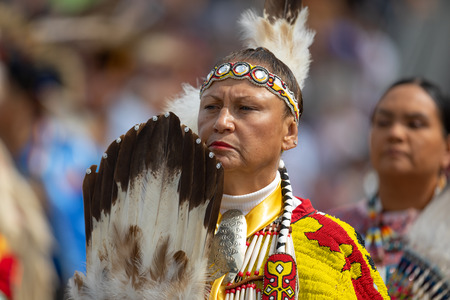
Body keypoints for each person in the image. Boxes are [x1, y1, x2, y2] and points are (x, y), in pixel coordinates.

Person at [67, 2, 389, 299]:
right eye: (211, 107)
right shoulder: (143, 236)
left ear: (289, 132)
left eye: (245, 108)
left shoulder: (329, 249)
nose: (222, 122)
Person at [329, 78, 450, 287]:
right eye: (383, 123)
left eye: (415, 124)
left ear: (447, 149)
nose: (395, 134)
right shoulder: (332, 228)